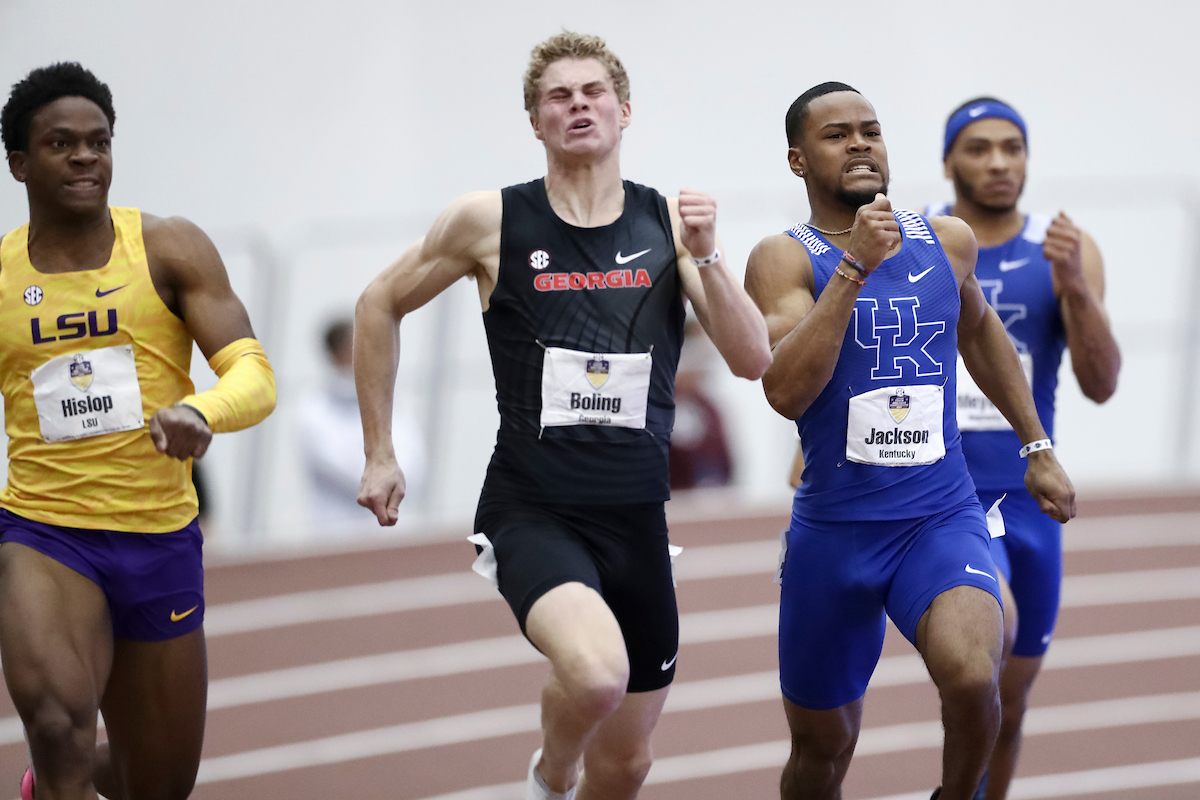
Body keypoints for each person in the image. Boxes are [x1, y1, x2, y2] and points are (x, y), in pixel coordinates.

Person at [355, 31, 771, 800]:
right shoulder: (490, 222)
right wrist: (379, 449)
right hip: (534, 507)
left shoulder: (667, 224)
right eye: (559, 96)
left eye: (593, 92)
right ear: (536, 121)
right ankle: (549, 777)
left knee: (629, 765)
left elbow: (752, 360)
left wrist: (710, 254)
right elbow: (379, 302)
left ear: (624, 111)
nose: (578, 105)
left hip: (638, 518)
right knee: (594, 675)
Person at [744, 82, 1075, 800]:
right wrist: (856, 266)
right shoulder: (783, 258)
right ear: (799, 161)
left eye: (871, 129)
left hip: (939, 517)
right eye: (837, 135)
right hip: (835, 534)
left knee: (972, 675)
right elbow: (785, 389)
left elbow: (980, 329)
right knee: (822, 749)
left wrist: (1036, 446)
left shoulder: (946, 241)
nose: (860, 142)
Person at [0, 63, 276, 800]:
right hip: (45, 531)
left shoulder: (169, 248)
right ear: (20, 163)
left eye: (99, 141)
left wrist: (201, 412)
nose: (86, 156)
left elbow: (254, 375)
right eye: (62, 143)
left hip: (158, 537)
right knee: (59, 725)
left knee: (152, 783)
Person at [927, 97, 1120, 800]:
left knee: (1011, 699)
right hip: (944, 496)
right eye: (978, 148)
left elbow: (1101, 383)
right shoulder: (923, 241)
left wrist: (1076, 291)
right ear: (948, 162)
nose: (999, 161)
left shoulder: (1063, 247)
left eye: (1012, 146)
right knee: (987, 642)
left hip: (1032, 501)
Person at [296, 317, 424, 533]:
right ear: (337, 353)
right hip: (339, 537)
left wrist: (393, 475)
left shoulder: (389, 397)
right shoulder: (313, 408)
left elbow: (415, 460)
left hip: (395, 535)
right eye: (359, 346)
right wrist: (388, 472)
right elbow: (350, 471)